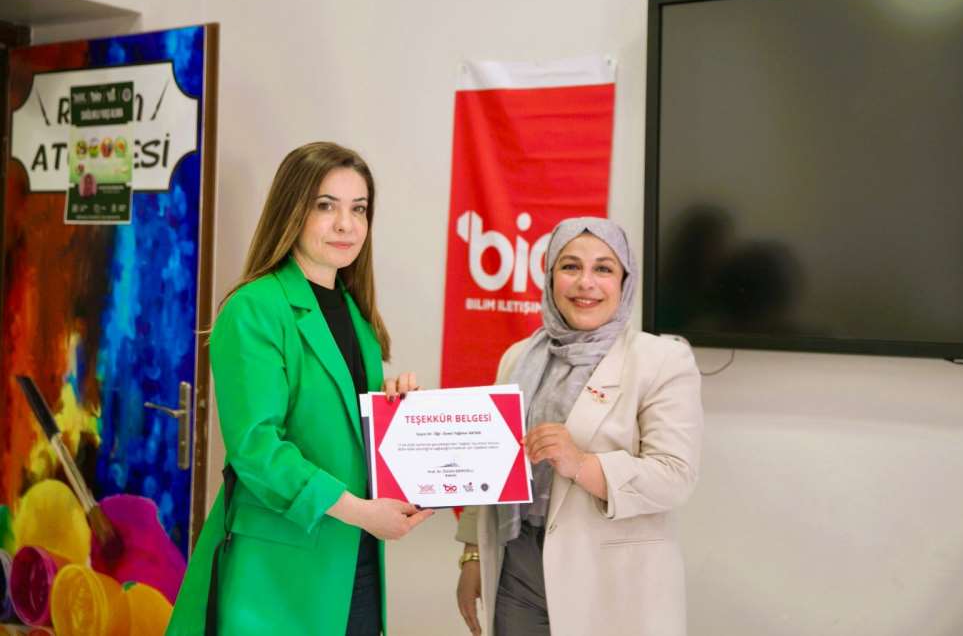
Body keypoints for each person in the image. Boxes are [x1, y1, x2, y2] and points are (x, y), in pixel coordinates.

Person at [167, 142, 433, 635]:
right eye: (326, 206)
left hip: (353, 559)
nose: (346, 225)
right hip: (280, 571)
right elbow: (257, 448)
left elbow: (339, 426)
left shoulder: (356, 314)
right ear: (292, 210)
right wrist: (360, 512)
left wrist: (392, 407)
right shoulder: (255, 307)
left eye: (359, 209)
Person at [455, 217, 703, 636]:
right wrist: (473, 554)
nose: (585, 282)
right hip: (517, 568)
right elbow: (491, 464)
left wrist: (582, 464)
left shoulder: (662, 360)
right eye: (570, 266)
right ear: (550, 275)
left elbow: (675, 477)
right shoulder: (518, 357)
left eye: (603, 268)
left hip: (612, 577)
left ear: (624, 281)